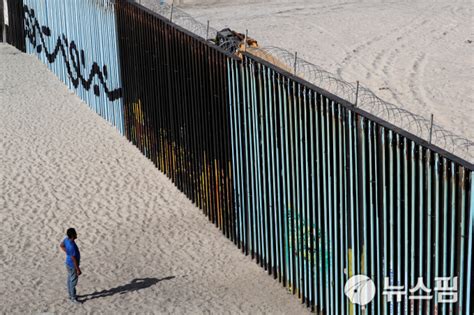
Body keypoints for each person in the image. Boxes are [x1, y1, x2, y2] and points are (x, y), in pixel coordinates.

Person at [60, 228, 82, 304]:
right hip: (72, 265)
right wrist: (78, 269)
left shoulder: (66, 240)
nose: (77, 234)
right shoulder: (71, 245)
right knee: (73, 281)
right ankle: (73, 297)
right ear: (73, 235)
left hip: (68, 263)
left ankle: (71, 295)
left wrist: (67, 252)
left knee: (70, 279)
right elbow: (74, 258)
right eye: (75, 233)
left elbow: (61, 245)